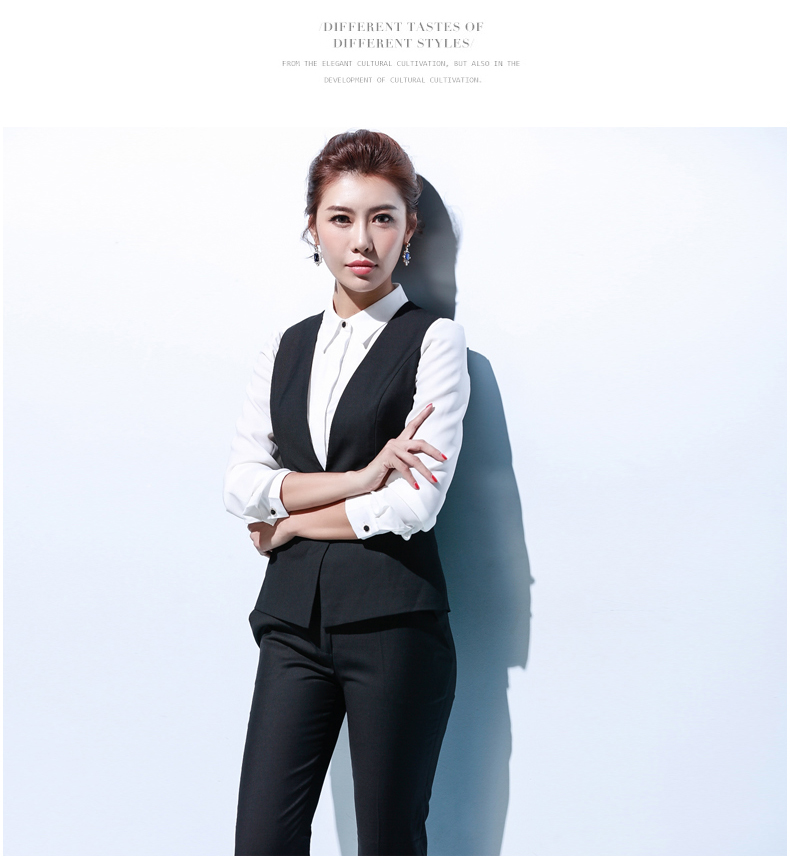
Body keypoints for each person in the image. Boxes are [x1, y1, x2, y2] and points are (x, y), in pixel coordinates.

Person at [223, 129, 471, 856]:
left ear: (408, 229)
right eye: (341, 217)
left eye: (382, 217)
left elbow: (414, 505)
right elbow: (241, 486)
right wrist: (362, 481)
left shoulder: (435, 341)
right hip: (292, 626)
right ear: (313, 226)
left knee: (388, 841)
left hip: (394, 624)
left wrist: (292, 523)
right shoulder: (285, 347)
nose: (362, 240)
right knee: (262, 840)